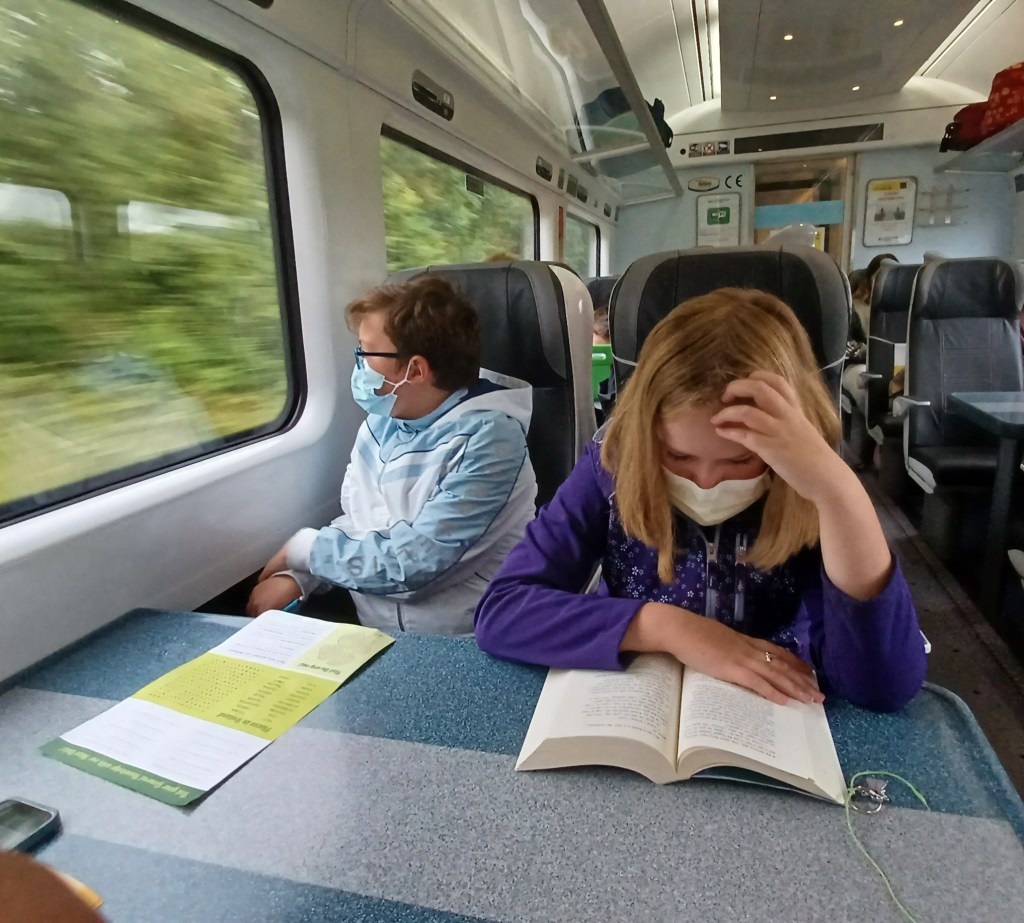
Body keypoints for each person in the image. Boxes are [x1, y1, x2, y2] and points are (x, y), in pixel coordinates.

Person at [475, 288, 926, 711]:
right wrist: (663, 626)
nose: (707, 482)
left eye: (740, 461)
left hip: (774, 706)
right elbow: (502, 611)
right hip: (635, 701)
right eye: (677, 456)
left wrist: (837, 492)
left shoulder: (802, 489)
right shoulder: (611, 464)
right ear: (646, 435)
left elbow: (881, 686)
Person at [248, 276, 538, 635]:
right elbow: (362, 523)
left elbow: (416, 565)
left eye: (367, 353)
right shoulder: (382, 425)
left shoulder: (489, 441)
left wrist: (305, 549)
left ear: (416, 369)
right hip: (377, 634)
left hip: (470, 639)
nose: (359, 364)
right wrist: (301, 577)